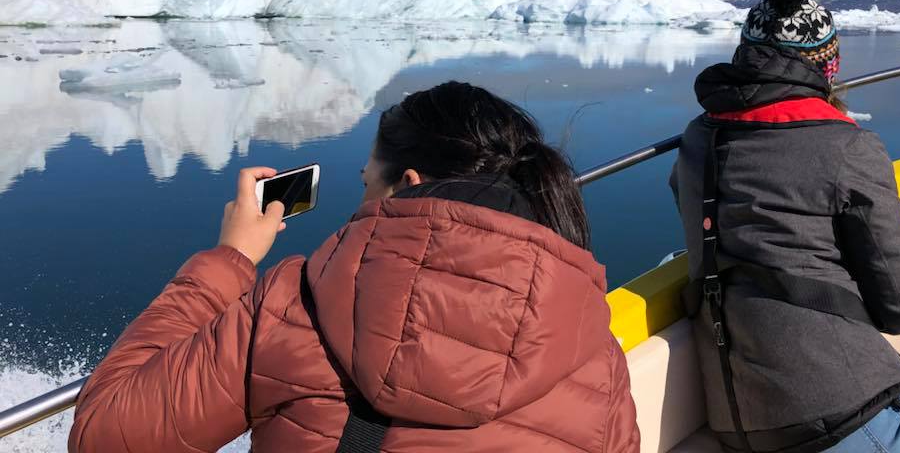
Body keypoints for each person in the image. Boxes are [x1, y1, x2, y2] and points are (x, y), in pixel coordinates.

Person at [68, 81, 641, 453]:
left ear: (408, 185)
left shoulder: (297, 302)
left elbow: (103, 437)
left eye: (367, 181)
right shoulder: (589, 339)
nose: (362, 197)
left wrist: (231, 259)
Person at [670, 0, 900, 453]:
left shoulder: (696, 139)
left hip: (739, 422)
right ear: (828, 66)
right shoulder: (846, 147)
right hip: (847, 418)